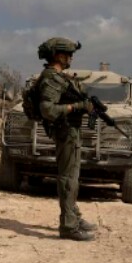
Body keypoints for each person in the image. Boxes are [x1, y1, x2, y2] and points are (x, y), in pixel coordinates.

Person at [36, 37, 97, 241]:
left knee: (73, 177)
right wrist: (76, 107)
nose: (71, 58)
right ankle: (68, 226)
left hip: (71, 131)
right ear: (57, 55)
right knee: (68, 178)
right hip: (65, 131)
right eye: (67, 54)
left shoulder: (61, 77)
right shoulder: (51, 78)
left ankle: (74, 217)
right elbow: (48, 110)